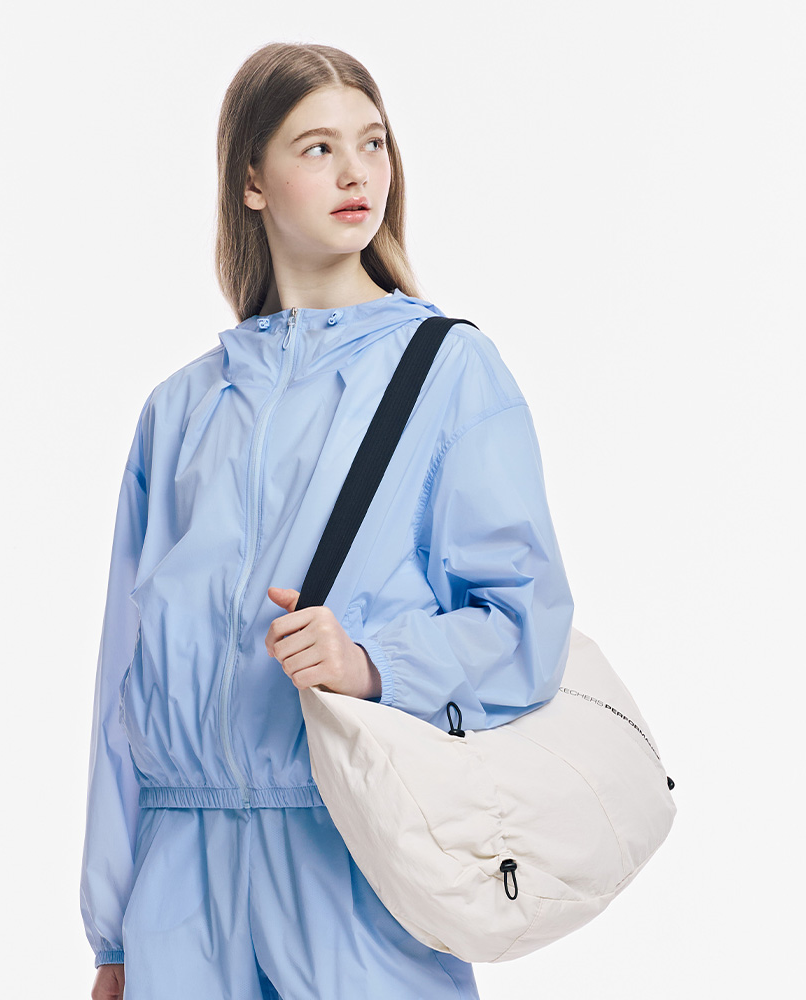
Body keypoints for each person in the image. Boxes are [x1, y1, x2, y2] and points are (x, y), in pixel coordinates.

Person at [80, 41, 574, 1000]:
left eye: (373, 142)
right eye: (318, 148)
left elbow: (524, 627)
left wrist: (375, 664)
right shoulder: (179, 411)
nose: (358, 173)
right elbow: (121, 682)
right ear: (251, 181)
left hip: (352, 864)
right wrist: (113, 933)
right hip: (178, 889)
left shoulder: (449, 373)